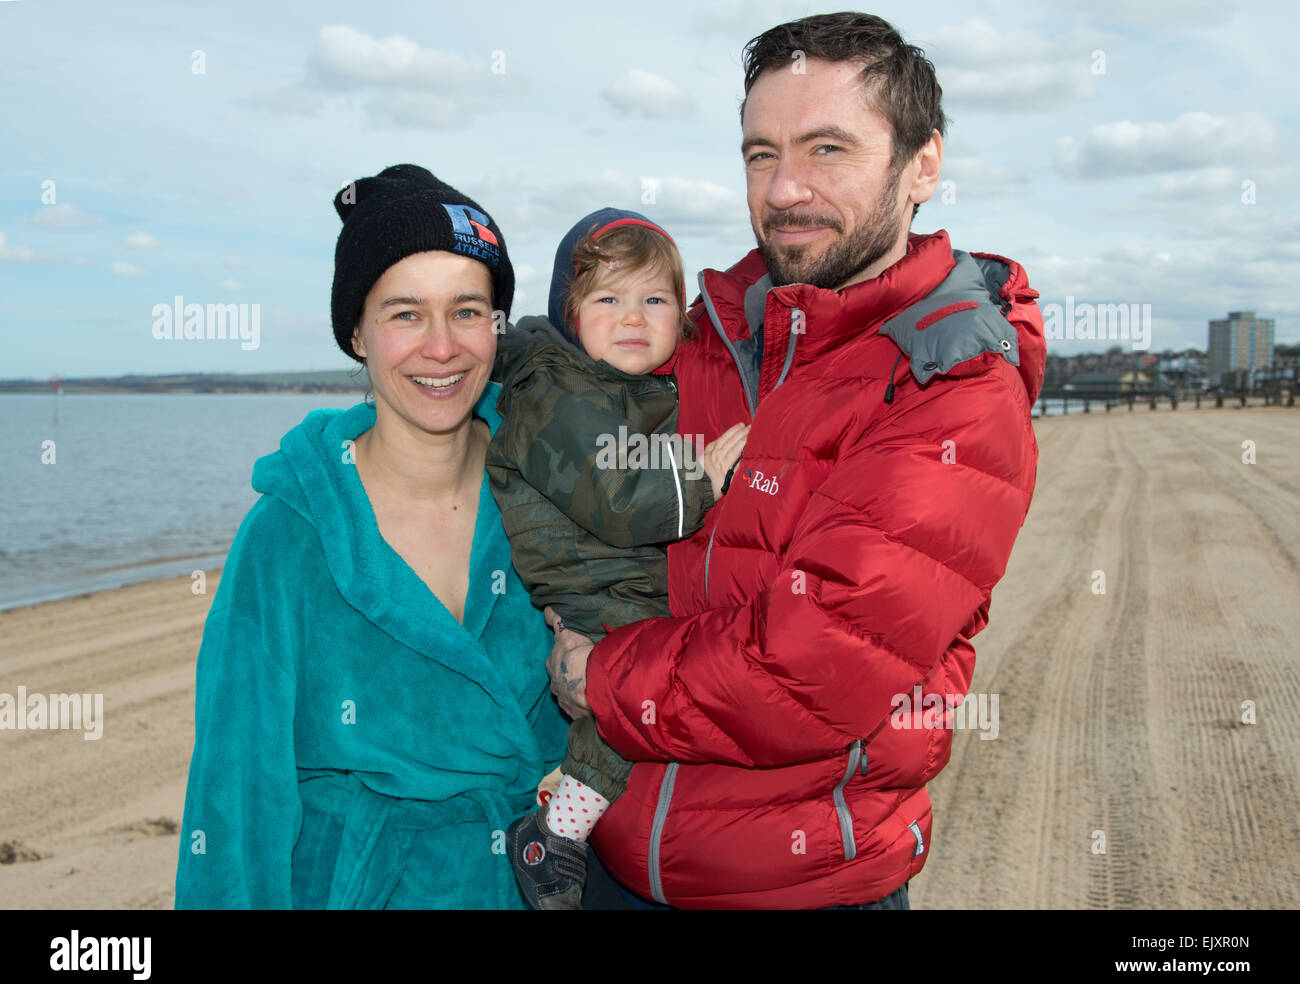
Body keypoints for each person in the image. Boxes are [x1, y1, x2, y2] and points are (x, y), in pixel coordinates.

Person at [542, 12, 1047, 908]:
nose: (783, 189)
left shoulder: (951, 380)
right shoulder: (706, 330)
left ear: (922, 164)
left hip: (802, 885)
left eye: (827, 149)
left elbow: (810, 667)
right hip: (613, 864)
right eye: (760, 154)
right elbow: (564, 429)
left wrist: (600, 681)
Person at [174, 164, 568, 909]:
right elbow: (236, 797)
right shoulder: (289, 533)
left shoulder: (553, 492)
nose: (441, 347)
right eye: (405, 314)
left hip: (529, 881)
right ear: (356, 332)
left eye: (467, 311)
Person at [484, 209, 749, 908]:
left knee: (666, 676)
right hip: (590, 579)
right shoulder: (554, 390)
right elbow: (619, 499)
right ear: (569, 312)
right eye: (608, 298)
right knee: (633, 686)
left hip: (620, 573)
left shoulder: (624, 384)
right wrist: (702, 480)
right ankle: (556, 833)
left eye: (655, 299)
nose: (633, 316)